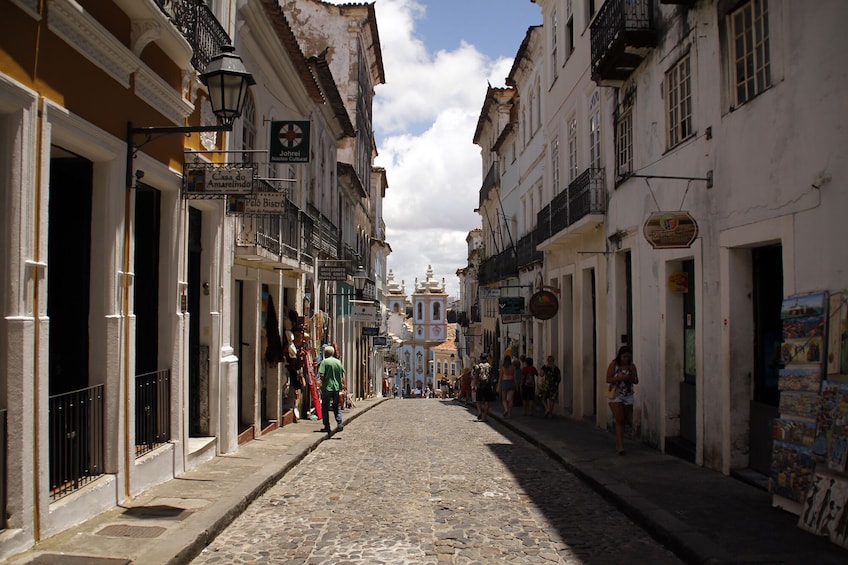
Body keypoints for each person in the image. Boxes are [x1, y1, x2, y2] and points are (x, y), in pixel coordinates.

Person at [606, 346, 638, 454]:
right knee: (619, 419)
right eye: (624, 356)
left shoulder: (631, 366)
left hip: (628, 395)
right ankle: (620, 446)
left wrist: (629, 377)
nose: (626, 359)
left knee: (623, 420)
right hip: (616, 395)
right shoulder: (614, 365)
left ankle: (619, 442)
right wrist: (619, 378)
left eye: (628, 357)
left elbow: (635, 380)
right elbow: (608, 378)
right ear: (620, 356)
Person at [317, 345, 345, 433]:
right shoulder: (338, 362)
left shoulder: (324, 362)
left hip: (327, 388)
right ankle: (339, 422)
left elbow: (321, 374)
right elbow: (342, 374)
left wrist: (322, 382)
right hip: (336, 387)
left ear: (325, 353)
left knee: (325, 407)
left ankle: (327, 426)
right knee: (336, 406)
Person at [473, 356, 495, 421]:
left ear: (480, 358)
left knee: (478, 400)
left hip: (480, 385)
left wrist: (474, 385)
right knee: (487, 401)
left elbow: (476, 377)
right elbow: (492, 376)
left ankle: (479, 412)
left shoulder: (478, 366)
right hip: (487, 385)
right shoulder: (490, 366)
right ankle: (485, 416)